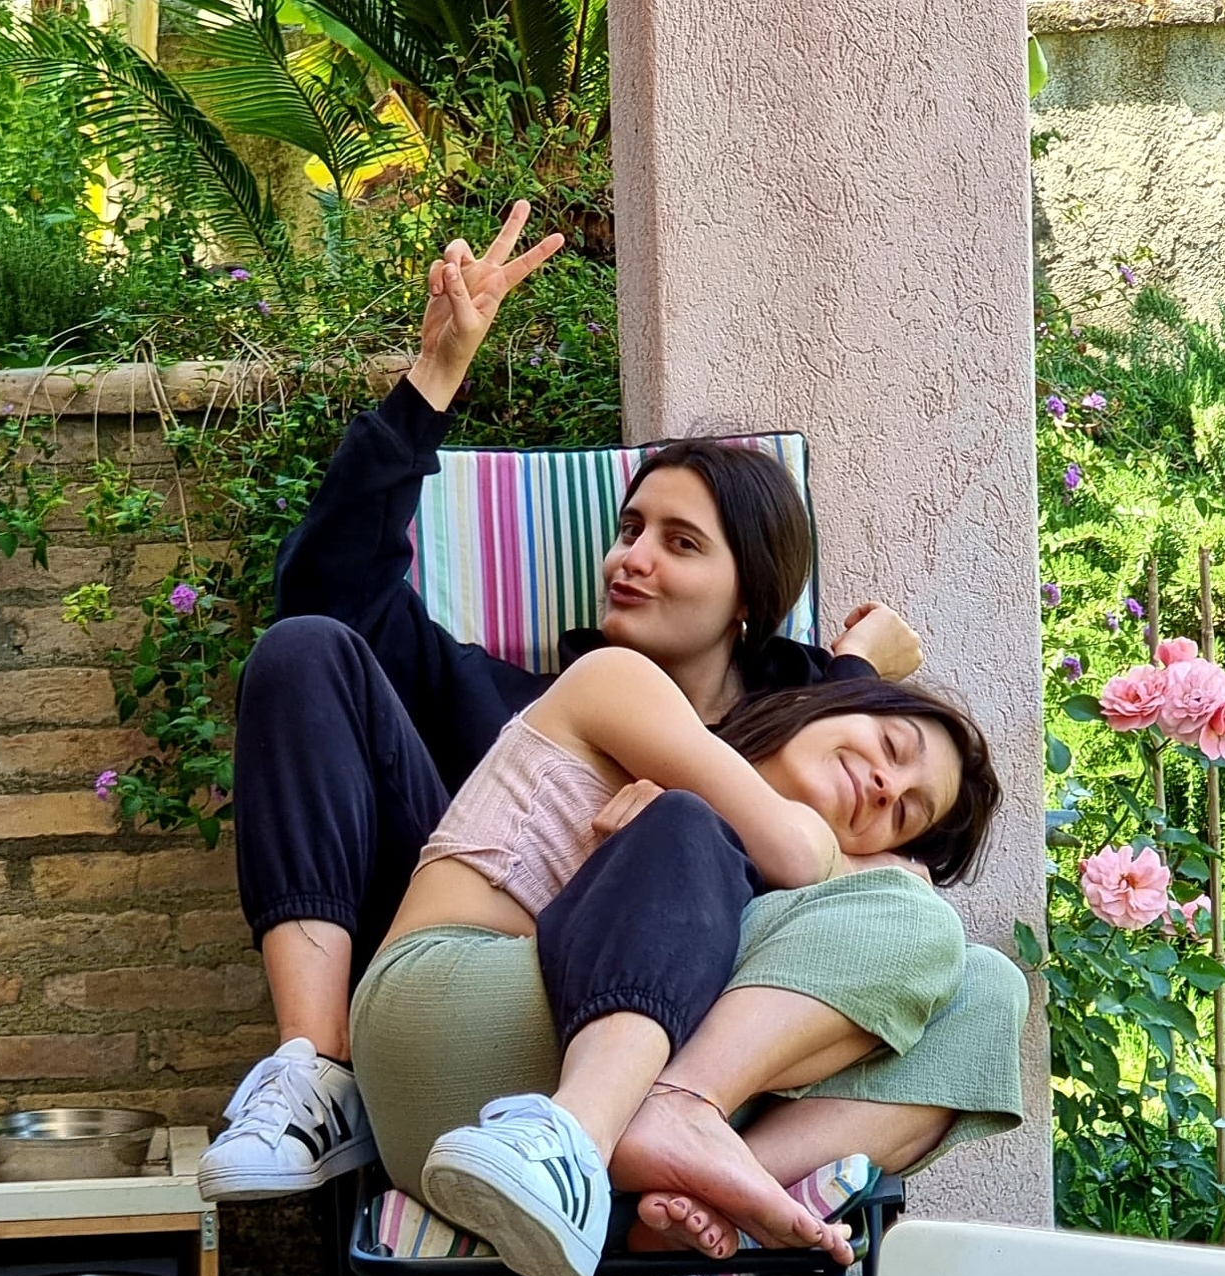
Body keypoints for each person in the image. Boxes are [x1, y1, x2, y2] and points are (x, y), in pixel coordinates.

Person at [197, 201, 990, 1207]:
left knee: (967, 978)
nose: (632, 559)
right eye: (630, 530)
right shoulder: (510, 701)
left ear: (750, 598)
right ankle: (317, 1072)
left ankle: (682, 1176)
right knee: (305, 647)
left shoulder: (817, 760)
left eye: (680, 543)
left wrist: (848, 680)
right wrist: (434, 374)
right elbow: (326, 593)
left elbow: (818, 816)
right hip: (473, 991)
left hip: (683, 1038)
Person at [347, 649, 1003, 1276]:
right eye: (892, 745)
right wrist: (886, 873)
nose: (887, 787)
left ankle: (702, 1187)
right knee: (709, 832)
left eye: (902, 816)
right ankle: (658, 1113)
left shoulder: (795, 926)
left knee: (987, 992)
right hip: (441, 1021)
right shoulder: (623, 680)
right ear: (819, 702)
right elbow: (798, 853)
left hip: (589, 1180)